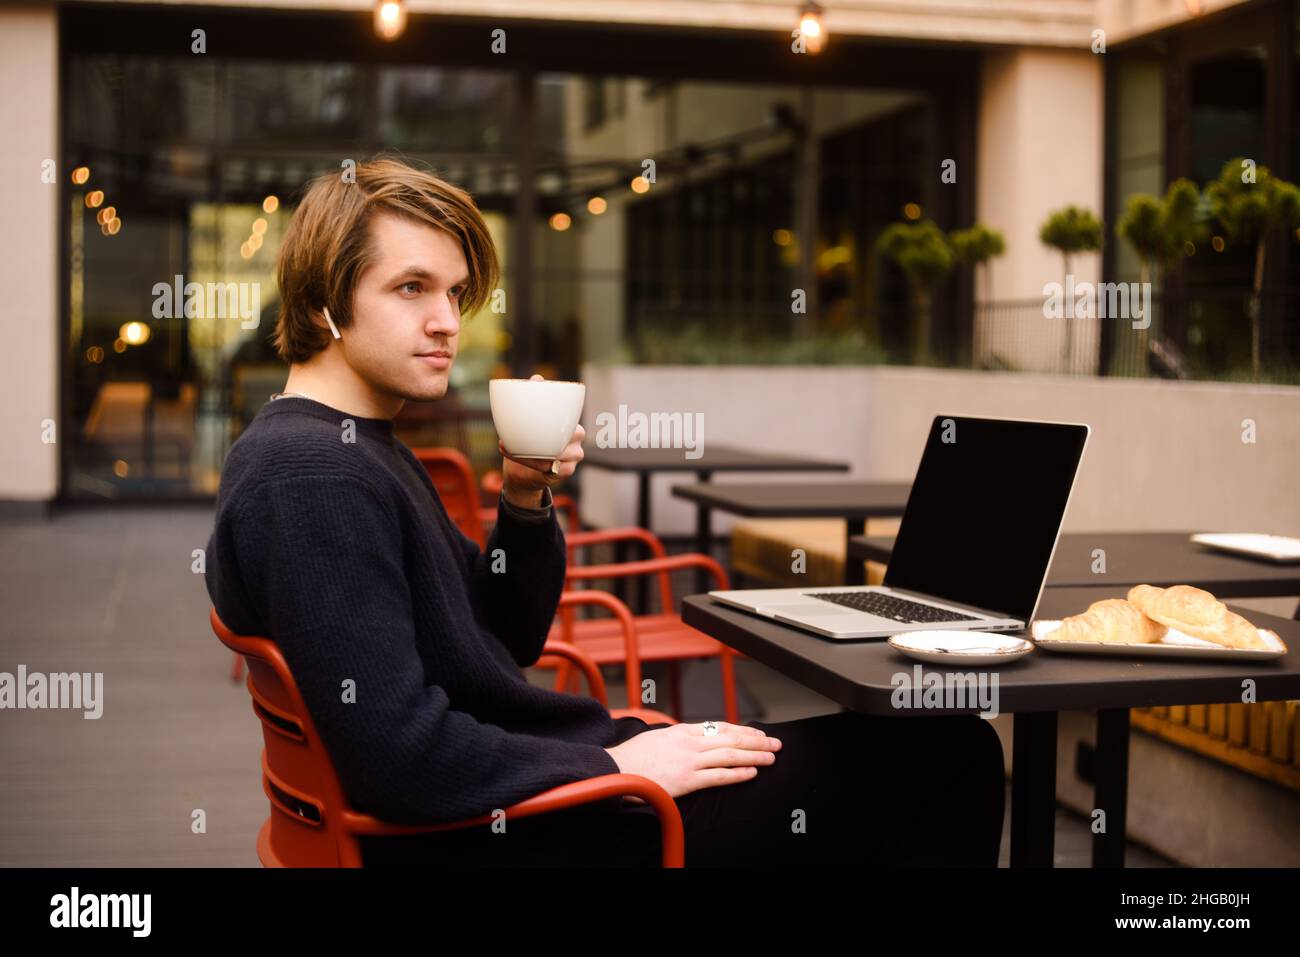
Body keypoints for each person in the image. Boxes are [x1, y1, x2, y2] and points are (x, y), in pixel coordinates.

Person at [204, 156, 1006, 867]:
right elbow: (397, 757)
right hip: (518, 830)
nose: (449, 320)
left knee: (915, 748)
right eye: (411, 288)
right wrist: (621, 768)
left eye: (454, 293)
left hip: (533, 792)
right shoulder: (312, 477)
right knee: (945, 754)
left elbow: (505, 638)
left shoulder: (355, 449)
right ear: (321, 306)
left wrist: (523, 497)